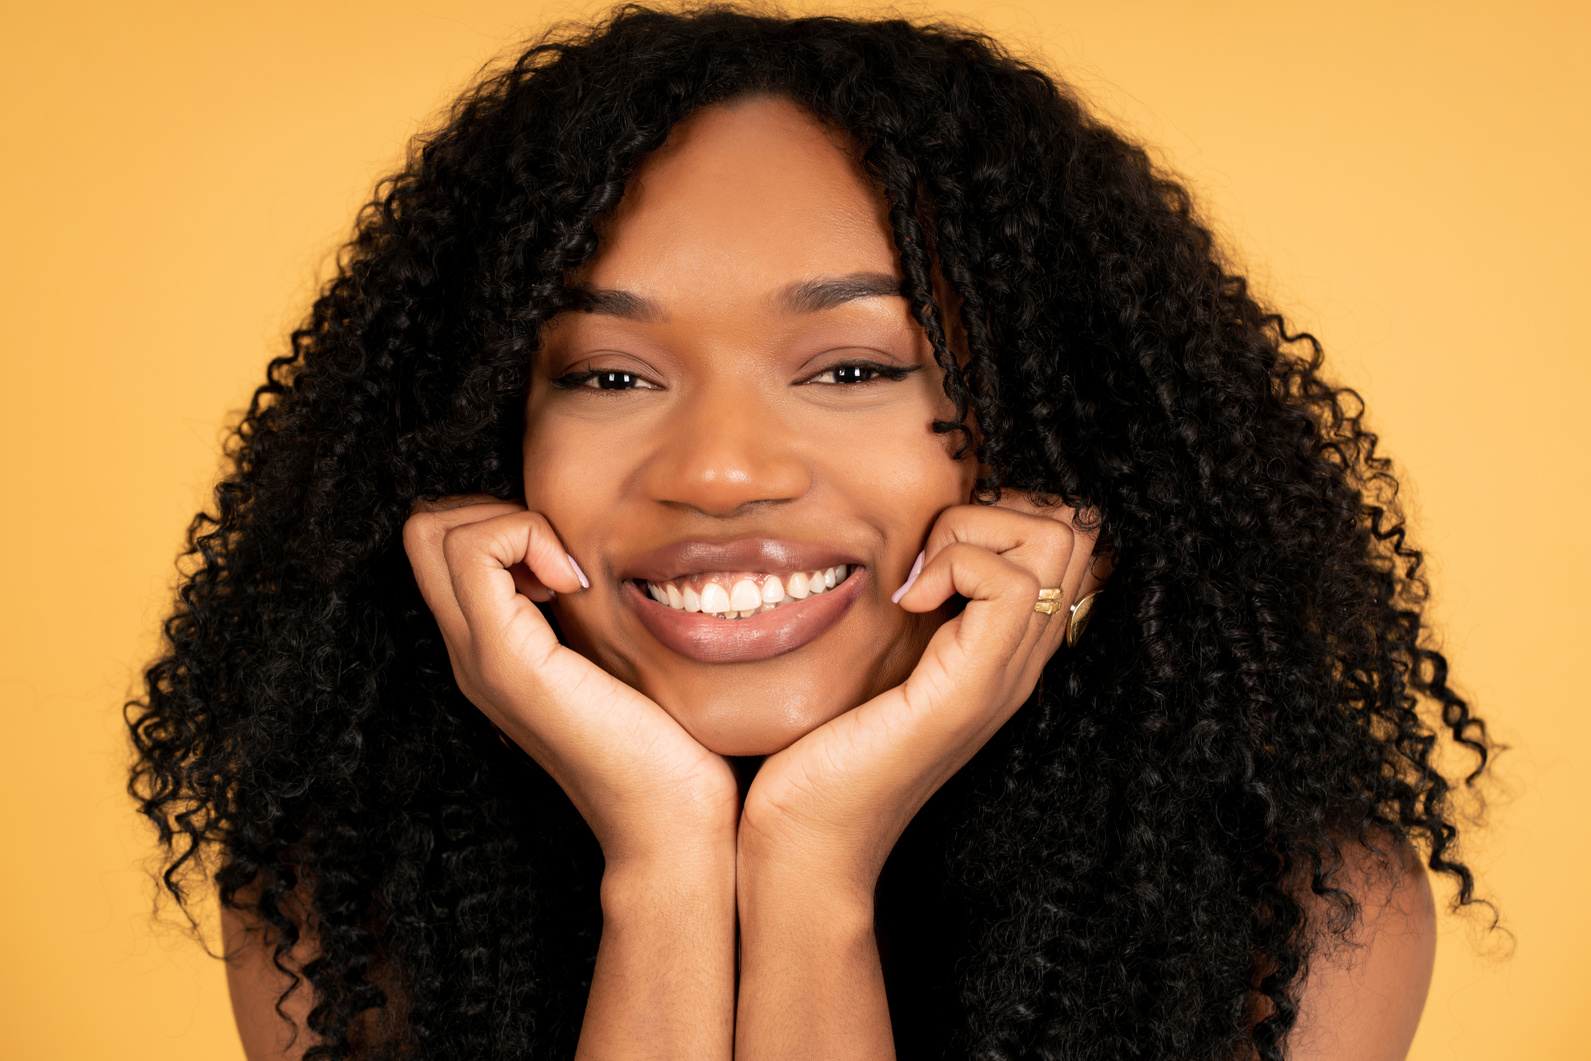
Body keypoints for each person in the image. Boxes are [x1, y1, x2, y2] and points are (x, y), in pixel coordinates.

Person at [127, 6, 1493, 1060]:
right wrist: (665, 869)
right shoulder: (351, 902)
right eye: (609, 375)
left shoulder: (1294, 914)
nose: (720, 471)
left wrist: (812, 870)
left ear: (1057, 439)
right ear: (481, 448)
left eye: (853, 369)